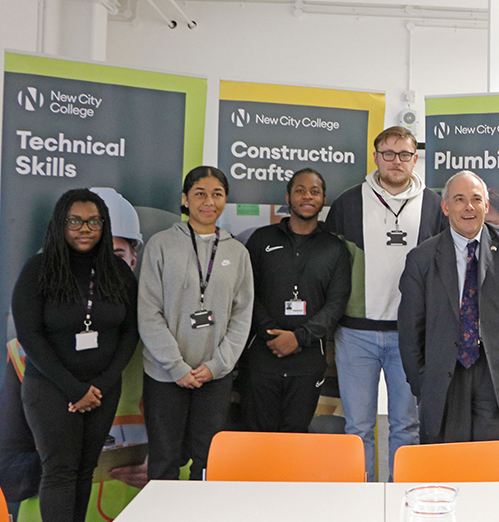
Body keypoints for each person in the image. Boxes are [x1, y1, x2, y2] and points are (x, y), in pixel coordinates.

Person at [11, 189, 139, 522]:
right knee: (60, 472)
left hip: (103, 389)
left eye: (94, 221)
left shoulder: (118, 272)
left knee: (85, 470)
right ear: (60, 225)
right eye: (76, 221)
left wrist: (102, 385)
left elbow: (130, 332)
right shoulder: (38, 269)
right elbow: (30, 335)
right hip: (52, 389)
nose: (85, 228)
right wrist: (74, 389)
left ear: (104, 225)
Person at [326, 126, 447, 481]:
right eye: (388, 153)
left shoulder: (434, 204)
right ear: (376, 156)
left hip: (409, 335)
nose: (396, 161)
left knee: (406, 426)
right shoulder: (348, 202)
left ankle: (401, 497)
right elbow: (331, 267)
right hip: (355, 333)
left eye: (405, 154)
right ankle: (360, 499)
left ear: (415, 158)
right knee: (358, 427)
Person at [398, 171, 499, 444]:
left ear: (486, 206)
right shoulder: (421, 258)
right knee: (446, 464)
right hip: (443, 377)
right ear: (445, 207)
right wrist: (422, 382)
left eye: (476, 199)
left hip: (497, 376)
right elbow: (409, 329)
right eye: (459, 199)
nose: (468, 207)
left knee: (490, 466)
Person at [138, 166, 254, 480]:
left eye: (217, 194)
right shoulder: (160, 245)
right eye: (200, 193)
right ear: (185, 200)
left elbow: (242, 316)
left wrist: (217, 365)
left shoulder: (237, 253)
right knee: (164, 462)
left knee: (208, 464)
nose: (208, 201)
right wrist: (176, 366)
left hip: (214, 377)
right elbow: (148, 313)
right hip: (165, 375)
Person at [240, 169, 351, 433]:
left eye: (314, 191)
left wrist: (298, 338)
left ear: (323, 199)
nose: (307, 196)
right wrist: (271, 334)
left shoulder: (334, 249)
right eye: (300, 190)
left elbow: (336, 304)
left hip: (308, 361)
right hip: (262, 358)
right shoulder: (261, 239)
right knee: (258, 438)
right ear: (288, 196)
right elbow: (246, 292)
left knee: (295, 439)